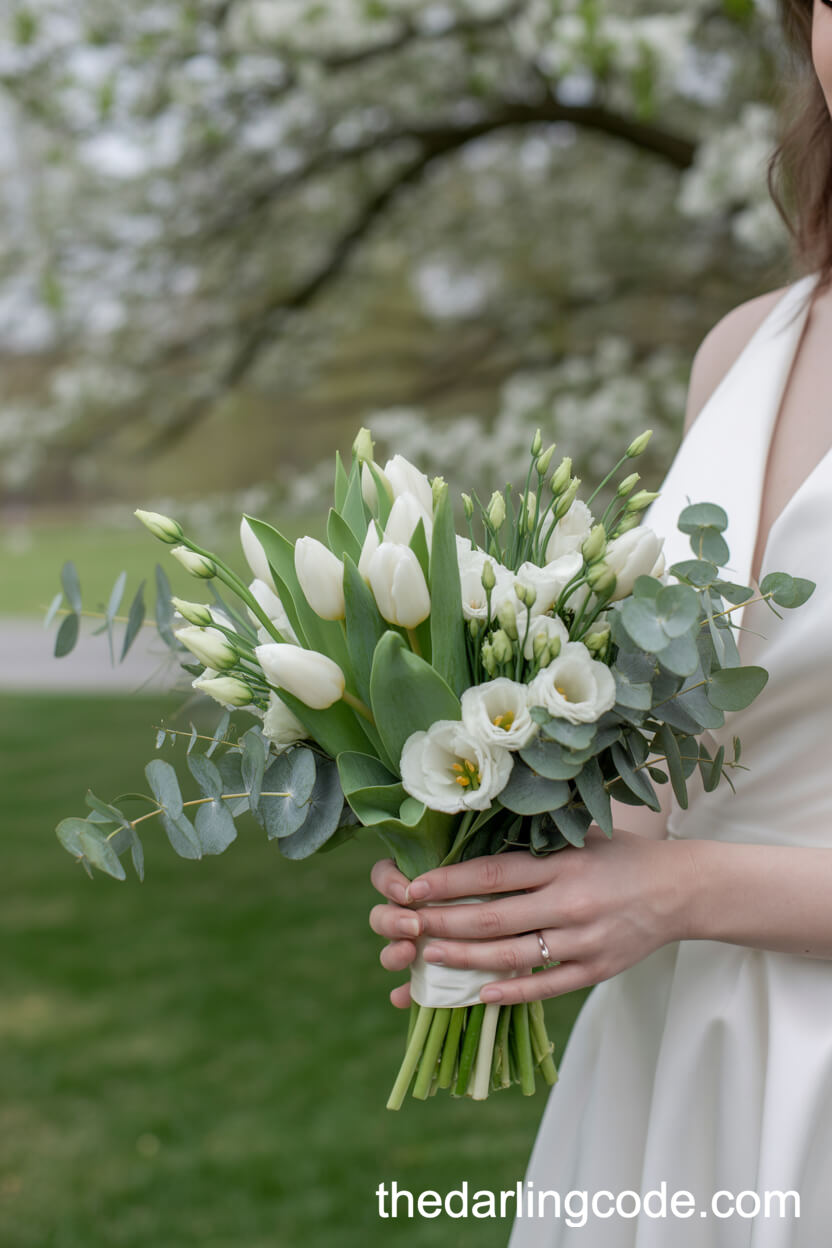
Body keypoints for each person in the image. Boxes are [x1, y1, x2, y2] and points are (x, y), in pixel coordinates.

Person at [368, 2, 832, 1242]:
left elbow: (684, 866)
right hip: (669, 1063)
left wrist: (679, 891)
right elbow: (696, 746)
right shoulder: (747, 347)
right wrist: (517, 888)